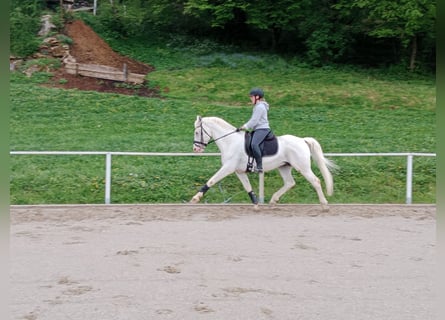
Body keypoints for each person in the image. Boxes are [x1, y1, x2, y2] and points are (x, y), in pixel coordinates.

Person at [238, 87, 271, 173]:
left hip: (262, 129)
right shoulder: (258, 106)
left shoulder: (260, 107)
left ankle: (259, 166)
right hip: (257, 129)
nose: (250, 99)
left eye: (251, 97)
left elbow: (254, 120)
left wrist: (244, 127)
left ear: (257, 97)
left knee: (254, 144)